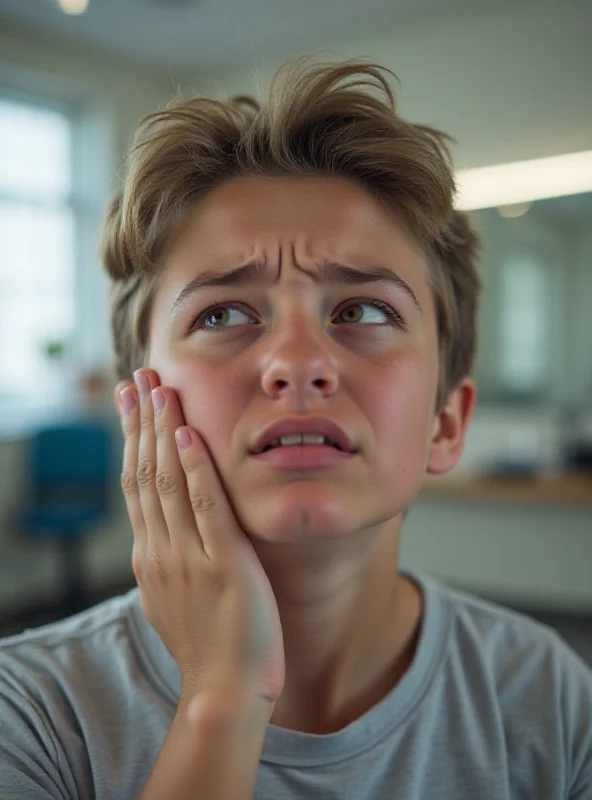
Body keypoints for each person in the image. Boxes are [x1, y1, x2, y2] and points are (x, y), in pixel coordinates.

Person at [0, 55, 590, 800]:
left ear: (447, 421)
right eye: (220, 314)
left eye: (364, 310)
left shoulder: (552, 701)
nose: (299, 363)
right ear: (137, 411)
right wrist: (221, 700)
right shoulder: (25, 719)